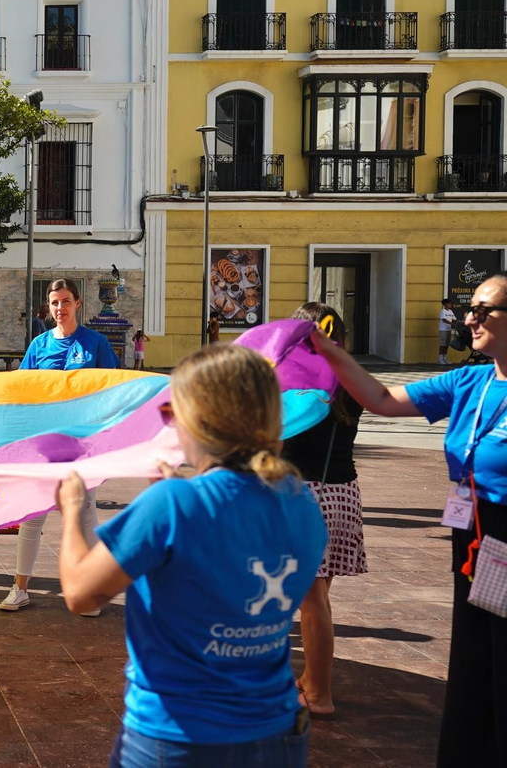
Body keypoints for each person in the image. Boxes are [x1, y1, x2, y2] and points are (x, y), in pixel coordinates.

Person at [55, 343, 325, 767]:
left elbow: (79, 593)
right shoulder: (301, 500)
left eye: (171, 413)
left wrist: (72, 512)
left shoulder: (174, 504)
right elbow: (214, 553)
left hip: (180, 737)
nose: (171, 425)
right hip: (275, 731)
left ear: (200, 420)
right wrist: (168, 495)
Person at [310, 273, 507, 767]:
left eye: (485, 310)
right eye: (471, 308)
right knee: (475, 656)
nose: (470, 319)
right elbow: (381, 400)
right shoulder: (471, 380)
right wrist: (327, 352)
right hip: (475, 537)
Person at [1, 278, 118, 613]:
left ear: (78, 304)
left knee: (84, 517)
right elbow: (23, 391)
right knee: (32, 517)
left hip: (82, 447)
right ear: (49, 307)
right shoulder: (38, 346)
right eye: (54, 303)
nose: (60, 308)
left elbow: (110, 392)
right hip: (45, 446)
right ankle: (20, 588)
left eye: (66, 302)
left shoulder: (95, 344)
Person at [280, 303, 364, 718]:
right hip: (343, 494)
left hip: (303, 496)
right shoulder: (349, 379)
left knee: (311, 604)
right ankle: (312, 680)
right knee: (319, 599)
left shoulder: (298, 385)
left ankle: (320, 695)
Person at [441, 298, 459, 366]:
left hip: (448, 329)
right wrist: (452, 324)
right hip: (443, 329)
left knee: (446, 344)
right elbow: (444, 320)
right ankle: (440, 359)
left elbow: (454, 319)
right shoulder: (443, 311)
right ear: (445, 304)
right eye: (449, 303)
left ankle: (444, 358)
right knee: (442, 344)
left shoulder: (450, 311)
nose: (450, 305)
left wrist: (460, 322)